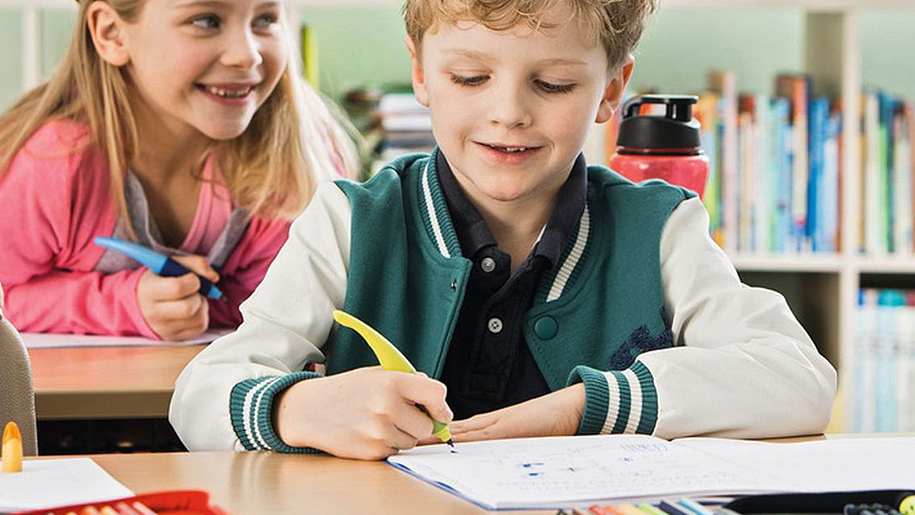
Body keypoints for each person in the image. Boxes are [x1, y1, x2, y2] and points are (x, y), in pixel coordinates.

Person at [170, 0, 837, 459]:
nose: (507, 112)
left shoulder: (660, 227)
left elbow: (801, 380)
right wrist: (295, 409)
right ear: (420, 73)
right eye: (470, 76)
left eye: (550, 83)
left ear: (611, 90)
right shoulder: (350, 220)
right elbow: (200, 395)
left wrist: (585, 407)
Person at [0, 0, 358, 341]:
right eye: (206, 20)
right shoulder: (55, 162)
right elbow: (5, 296)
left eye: (264, 19)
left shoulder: (290, 157)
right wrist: (122, 303)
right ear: (112, 33)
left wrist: (184, 305)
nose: (247, 54)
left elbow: (293, 308)